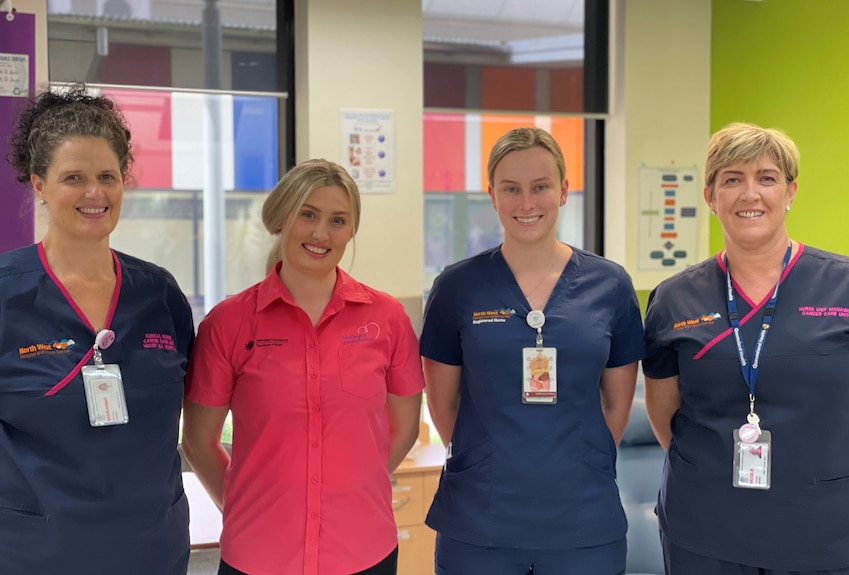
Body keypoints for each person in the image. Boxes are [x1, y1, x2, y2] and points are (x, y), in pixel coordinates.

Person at [182, 159, 424, 575]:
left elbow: (403, 428)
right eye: (307, 214)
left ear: (351, 231)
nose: (320, 233)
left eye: (337, 220)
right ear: (281, 218)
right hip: (258, 554)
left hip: (363, 551)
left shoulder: (387, 319)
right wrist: (246, 504)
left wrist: (351, 484)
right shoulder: (228, 323)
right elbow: (199, 441)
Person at [421, 127, 645, 575]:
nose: (527, 203)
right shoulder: (456, 288)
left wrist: (579, 461)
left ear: (563, 191)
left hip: (583, 523)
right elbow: (442, 403)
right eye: (512, 189)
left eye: (540, 187)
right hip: (479, 522)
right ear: (493, 195)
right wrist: (486, 460)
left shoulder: (610, 286)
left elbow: (616, 403)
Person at [643, 122, 849, 574]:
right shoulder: (674, 299)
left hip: (830, 534)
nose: (750, 194)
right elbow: (665, 413)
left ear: (790, 191)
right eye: (731, 179)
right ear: (709, 197)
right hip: (705, 531)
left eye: (766, 178)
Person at [0, 87, 194, 574]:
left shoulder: (160, 294)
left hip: (153, 552)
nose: (95, 193)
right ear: (39, 183)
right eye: (74, 178)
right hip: (36, 556)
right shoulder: (6, 295)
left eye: (108, 176)